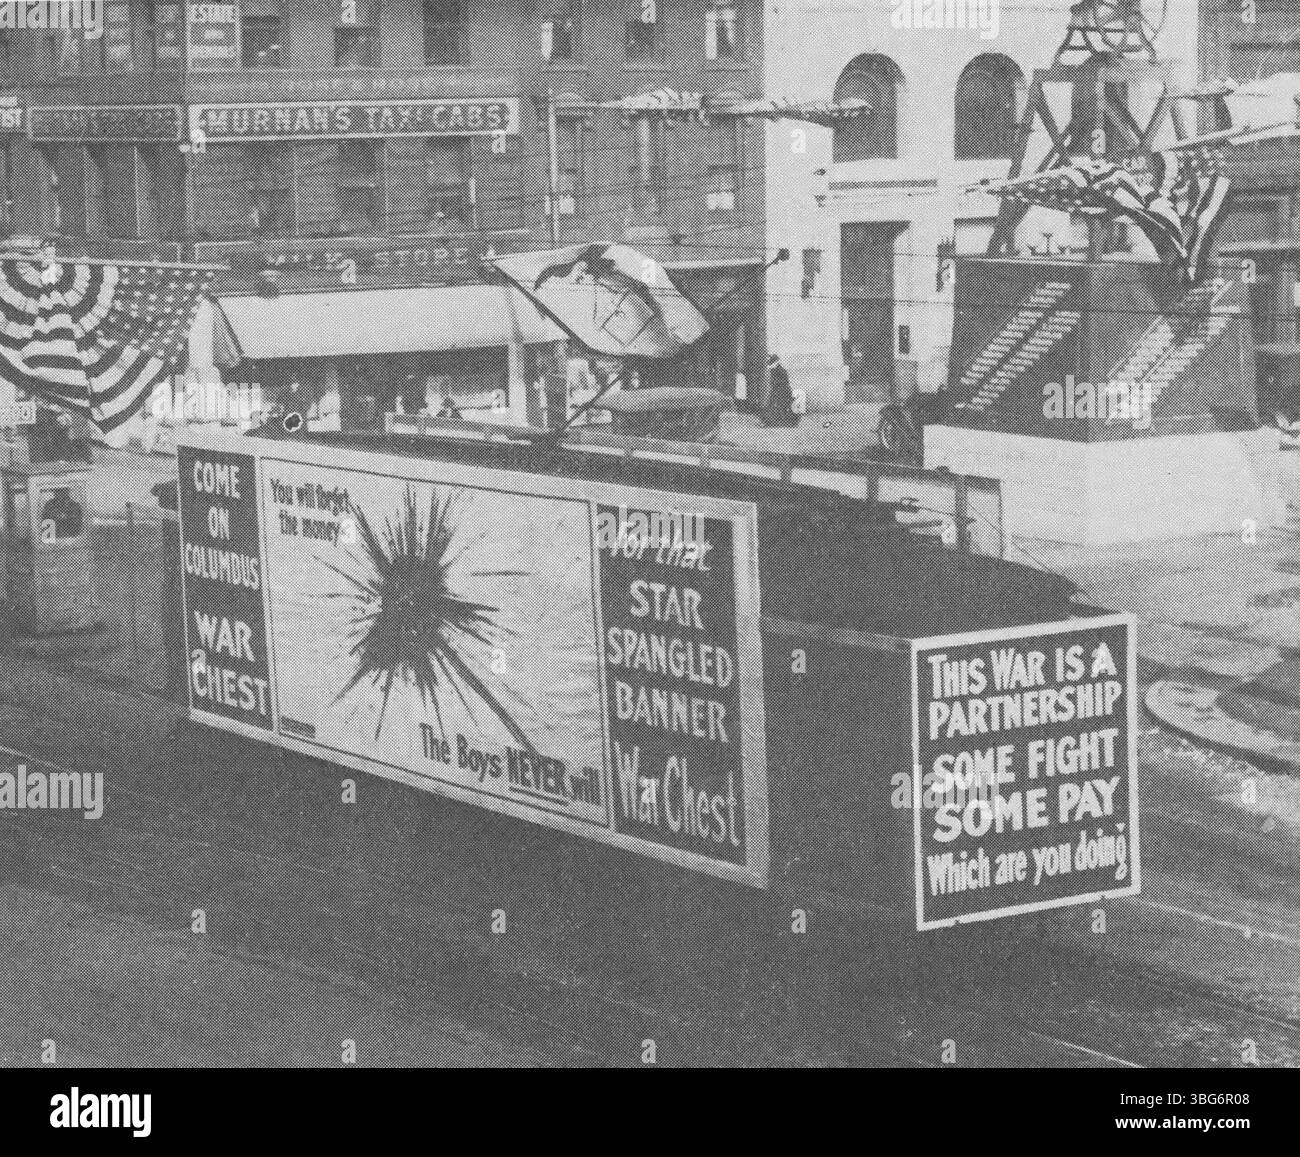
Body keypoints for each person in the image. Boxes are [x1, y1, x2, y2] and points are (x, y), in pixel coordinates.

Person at [765, 354, 795, 427]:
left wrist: (774, 382)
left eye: (771, 362)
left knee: (780, 406)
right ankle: (773, 422)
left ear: (776, 362)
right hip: (778, 390)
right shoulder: (775, 369)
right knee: (775, 405)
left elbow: (784, 381)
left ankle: (781, 422)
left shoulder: (780, 370)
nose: (770, 364)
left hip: (782, 391)